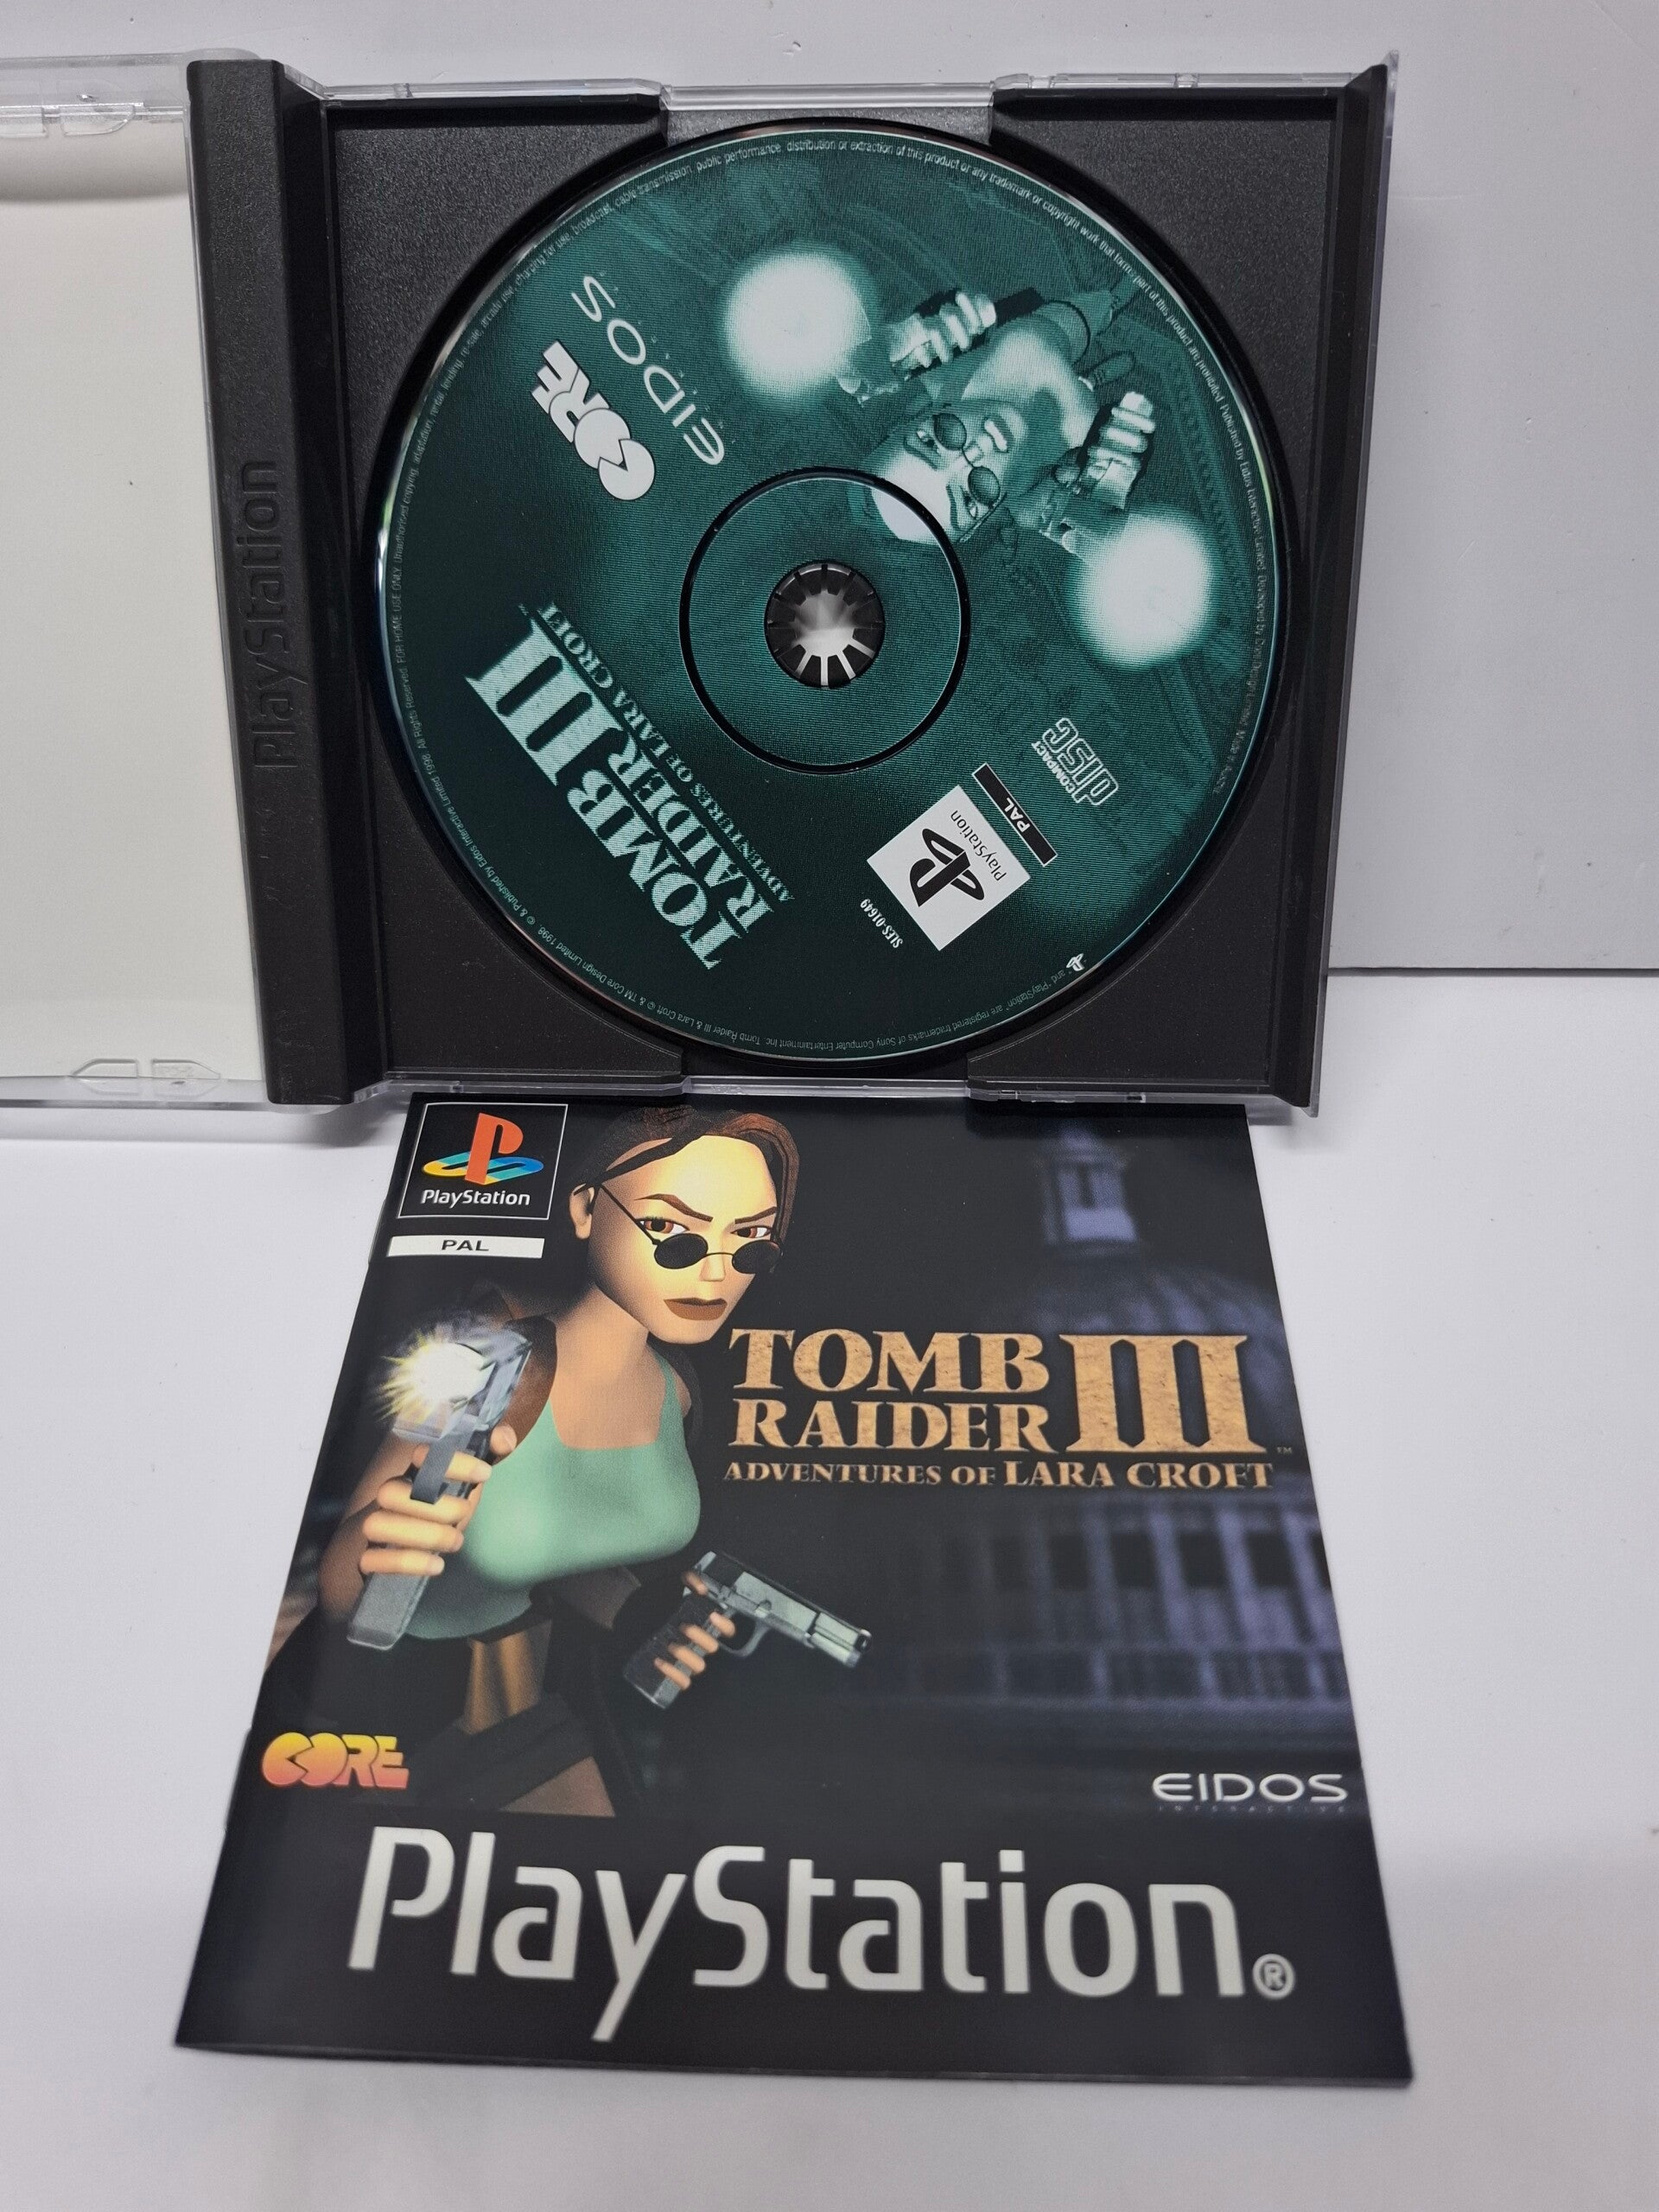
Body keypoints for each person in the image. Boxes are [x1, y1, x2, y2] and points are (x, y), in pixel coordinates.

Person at [301, 1105, 799, 1815]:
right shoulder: (492, 1360)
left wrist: (643, 1619)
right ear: (587, 1209)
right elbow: (341, 1590)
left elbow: (554, 1565)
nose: (716, 1272)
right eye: (672, 1231)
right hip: (391, 1707)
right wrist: (377, 1546)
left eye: (750, 1240)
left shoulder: (677, 1390)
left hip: (532, 1700)